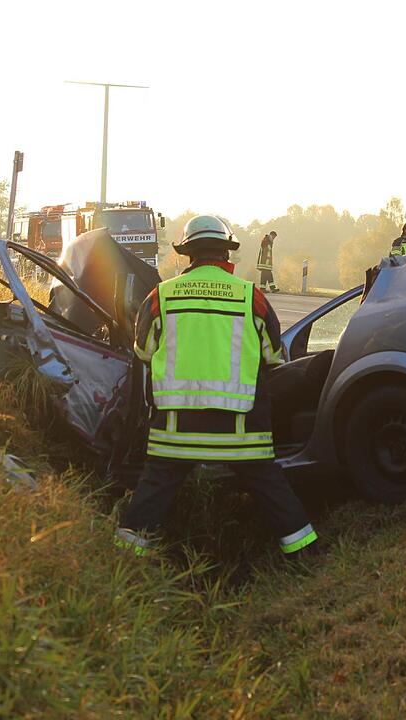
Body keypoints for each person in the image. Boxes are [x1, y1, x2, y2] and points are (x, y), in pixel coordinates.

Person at [115, 215, 320, 557]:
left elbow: (143, 352)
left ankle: (123, 562)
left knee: (152, 494)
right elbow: (274, 357)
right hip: (240, 435)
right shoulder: (250, 297)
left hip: (175, 434)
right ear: (227, 254)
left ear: (186, 254)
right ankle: (306, 556)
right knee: (272, 489)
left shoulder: (161, 296)